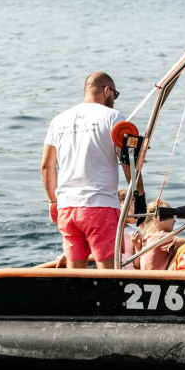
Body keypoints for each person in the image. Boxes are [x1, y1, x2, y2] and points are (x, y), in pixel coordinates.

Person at [40, 71, 145, 269]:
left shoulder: (58, 120)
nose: (114, 99)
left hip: (67, 208)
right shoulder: (113, 117)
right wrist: (140, 198)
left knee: (75, 273)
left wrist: (53, 201)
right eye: (115, 94)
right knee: (108, 273)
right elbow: (129, 163)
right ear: (106, 91)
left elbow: (47, 166)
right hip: (100, 205)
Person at [138, 198, 185, 270]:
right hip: (160, 276)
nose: (174, 220)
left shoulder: (148, 236)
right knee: (182, 247)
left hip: (147, 275)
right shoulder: (161, 237)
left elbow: (141, 225)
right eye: (171, 216)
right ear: (158, 218)